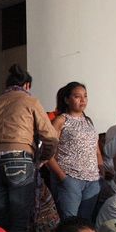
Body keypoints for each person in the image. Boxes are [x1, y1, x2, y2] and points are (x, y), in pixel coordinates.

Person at [0, 64, 58, 232]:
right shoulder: (30, 101)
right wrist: (42, 157)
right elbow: (50, 136)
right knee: (18, 221)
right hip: (20, 159)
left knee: (0, 218)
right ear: (27, 85)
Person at [48, 81, 102, 220]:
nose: (82, 100)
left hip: (92, 180)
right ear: (67, 99)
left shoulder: (88, 121)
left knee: (85, 223)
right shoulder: (61, 120)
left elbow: (95, 148)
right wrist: (62, 176)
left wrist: (101, 166)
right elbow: (48, 151)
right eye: (77, 96)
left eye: (85, 96)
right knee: (70, 222)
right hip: (70, 178)